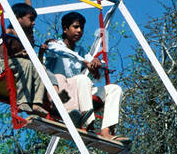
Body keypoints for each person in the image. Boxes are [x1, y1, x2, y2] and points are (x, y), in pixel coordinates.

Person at [42, 10, 125, 145]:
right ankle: (88, 124)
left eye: (81, 28)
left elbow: (95, 64)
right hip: (62, 94)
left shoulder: (80, 51)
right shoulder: (54, 45)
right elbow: (60, 51)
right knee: (81, 79)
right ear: (65, 29)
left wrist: (98, 65)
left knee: (114, 89)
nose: (79, 31)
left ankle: (106, 131)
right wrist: (84, 62)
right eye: (76, 27)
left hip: (80, 95)